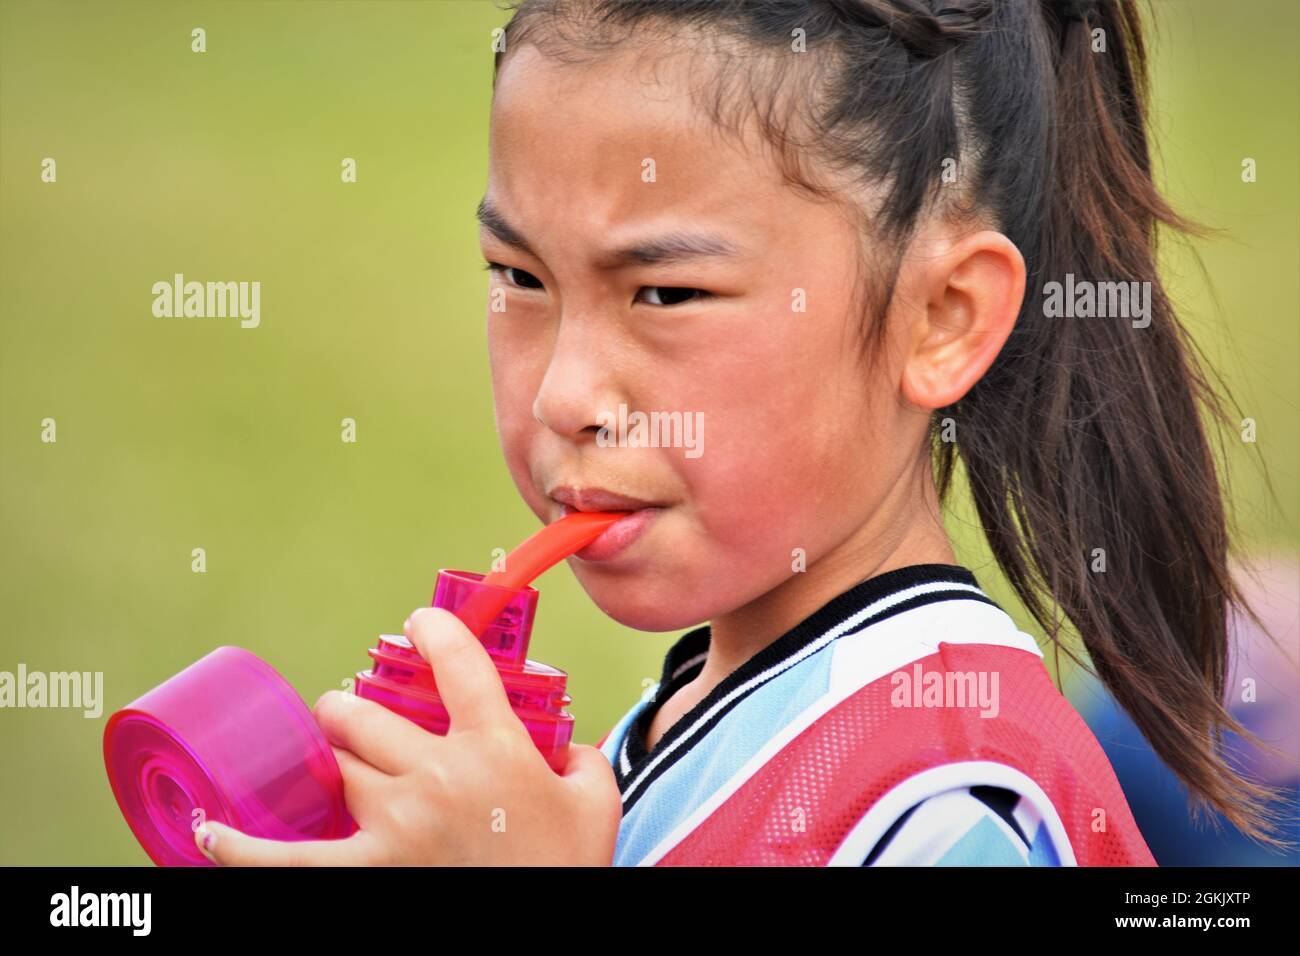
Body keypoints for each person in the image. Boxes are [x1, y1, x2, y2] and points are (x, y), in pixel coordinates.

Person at [194, 0, 1290, 866]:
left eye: (664, 294)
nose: (562, 395)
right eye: (517, 276)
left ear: (940, 318)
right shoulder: (691, 722)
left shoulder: (952, 801)